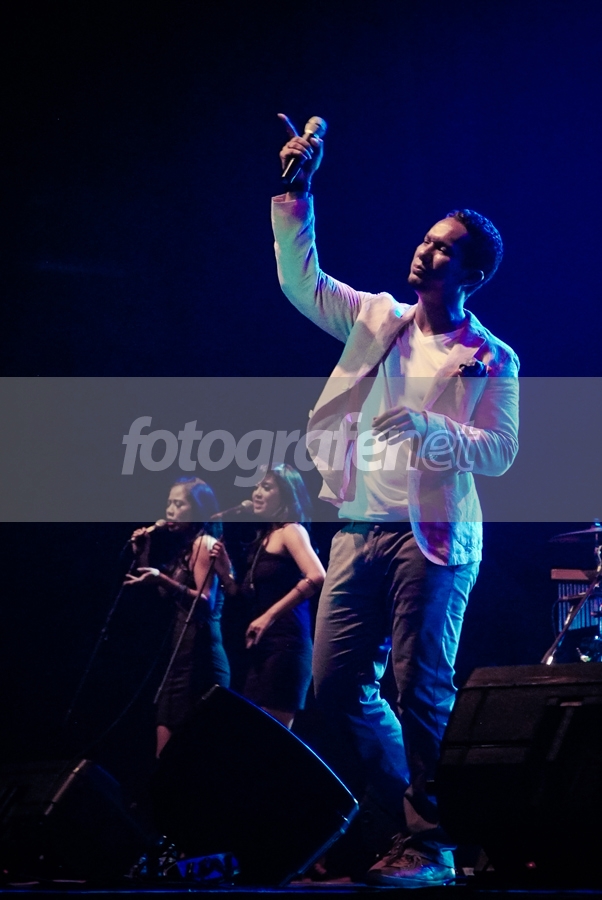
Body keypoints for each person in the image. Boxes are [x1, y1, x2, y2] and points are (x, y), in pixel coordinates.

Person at [271, 116, 519, 886]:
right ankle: (414, 825)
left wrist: (429, 428)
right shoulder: (377, 316)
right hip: (358, 528)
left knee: (422, 689)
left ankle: (430, 846)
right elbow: (302, 283)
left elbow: (501, 452)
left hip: (433, 540)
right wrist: (296, 194)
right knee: (337, 684)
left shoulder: (489, 357)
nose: (425, 250)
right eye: (426, 239)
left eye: (444, 248)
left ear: (471, 274)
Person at [125, 477, 234, 757]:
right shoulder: (185, 547)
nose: (170, 510)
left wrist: (162, 578)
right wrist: (144, 556)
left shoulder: (204, 544)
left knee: (190, 753)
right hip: (181, 658)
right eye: (169, 503)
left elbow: (205, 603)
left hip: (200, 658)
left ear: (197, 510)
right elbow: (167, 595)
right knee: (166, 748)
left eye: (179, 504)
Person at [213, 465, 325, 729]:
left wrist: (268, 617)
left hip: (287, 645)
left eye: (266, 487)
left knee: (269, 737)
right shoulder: (264, 539)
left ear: (286, 494)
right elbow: (244, 595)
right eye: (256, 487)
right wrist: (225, 574)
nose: (257, 493)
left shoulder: (291, 531)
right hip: (263, 648)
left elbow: (317, 575)